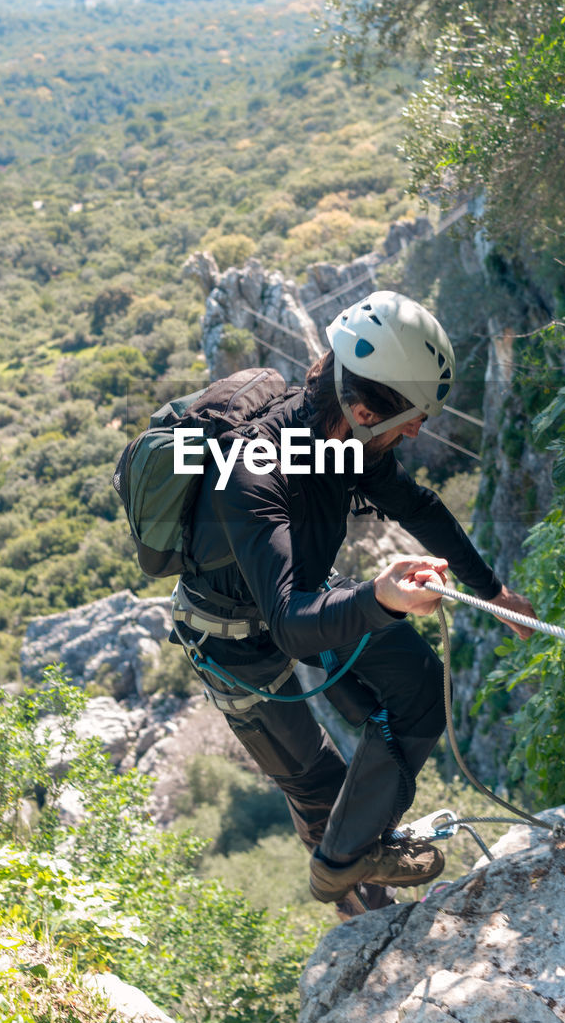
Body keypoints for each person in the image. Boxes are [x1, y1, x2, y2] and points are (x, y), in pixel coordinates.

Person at [172, 290, 536, 913]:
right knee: (322, 790)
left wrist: (491, 589)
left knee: (419, 689)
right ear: (365, 406)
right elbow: (289, 628)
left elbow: (416, 506)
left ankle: (355, 850)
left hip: (307, 595)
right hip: (236, 643)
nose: (420, 430)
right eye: (413, 417)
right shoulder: (250, 472)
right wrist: (383, 598)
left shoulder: (343, 434)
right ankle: (348, 886)